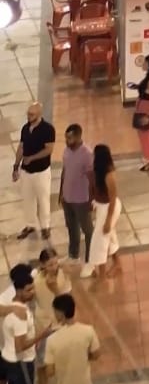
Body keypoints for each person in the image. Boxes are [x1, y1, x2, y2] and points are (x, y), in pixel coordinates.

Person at [2, 264, 46, 384]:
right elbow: (20, 347)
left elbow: (36, 271)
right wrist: (41, 335)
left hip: (8, 356)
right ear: (19, 291)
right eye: (29, 290)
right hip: (21, 363)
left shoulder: (19, 296)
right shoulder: (20, 314)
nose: (33, 292)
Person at [13, 103, 55, 242]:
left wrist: (32, 158)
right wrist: (16, 166)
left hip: (41, 172)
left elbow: (49, 149)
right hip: (26, 172)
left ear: (39, 114)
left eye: (31, 114)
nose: (28, 116)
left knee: (43, 199)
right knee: (28, 199)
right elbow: (21, 147)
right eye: (28, 113)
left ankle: (45, 227)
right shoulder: (25, 128)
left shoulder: (48, 129)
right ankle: (30, 224)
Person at [43, 295, 99, 384]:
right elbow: (96, 355)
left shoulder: (52, 340)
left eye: (55, 311)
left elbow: (50, 371)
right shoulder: (88, 330)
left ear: (60, 313)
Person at [33, 251, 70, 384]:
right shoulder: (36, 280)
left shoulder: (62, 275)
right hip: (43, 326)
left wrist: (55, 289)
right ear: (42, 265)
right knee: (42, 364)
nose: (54, 267)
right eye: (50, 264)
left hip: (60, 324)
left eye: (55, 263)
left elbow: (66, 300)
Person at [80, 145, 119, 280]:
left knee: (100, 240)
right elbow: (92, 188)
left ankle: (101, 273)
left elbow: (113, 200)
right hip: (100, 206)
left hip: (110, 207)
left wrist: (108, 220)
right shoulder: (96, 171)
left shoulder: (109, 175)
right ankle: (117, 264)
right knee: (110, 236)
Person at [57, 127, 92, 266]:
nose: (67, 141)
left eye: (70, 138)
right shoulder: (66, 151)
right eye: (66, 138)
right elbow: (64, 171)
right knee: (71, 227)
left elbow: (92, 178)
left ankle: (90, 260)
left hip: (81, 199)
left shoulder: (87, 154)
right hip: (67, 198)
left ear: (78, 137)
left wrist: (91, 200)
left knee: (88, 230)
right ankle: (73, 255)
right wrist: (61, 193)